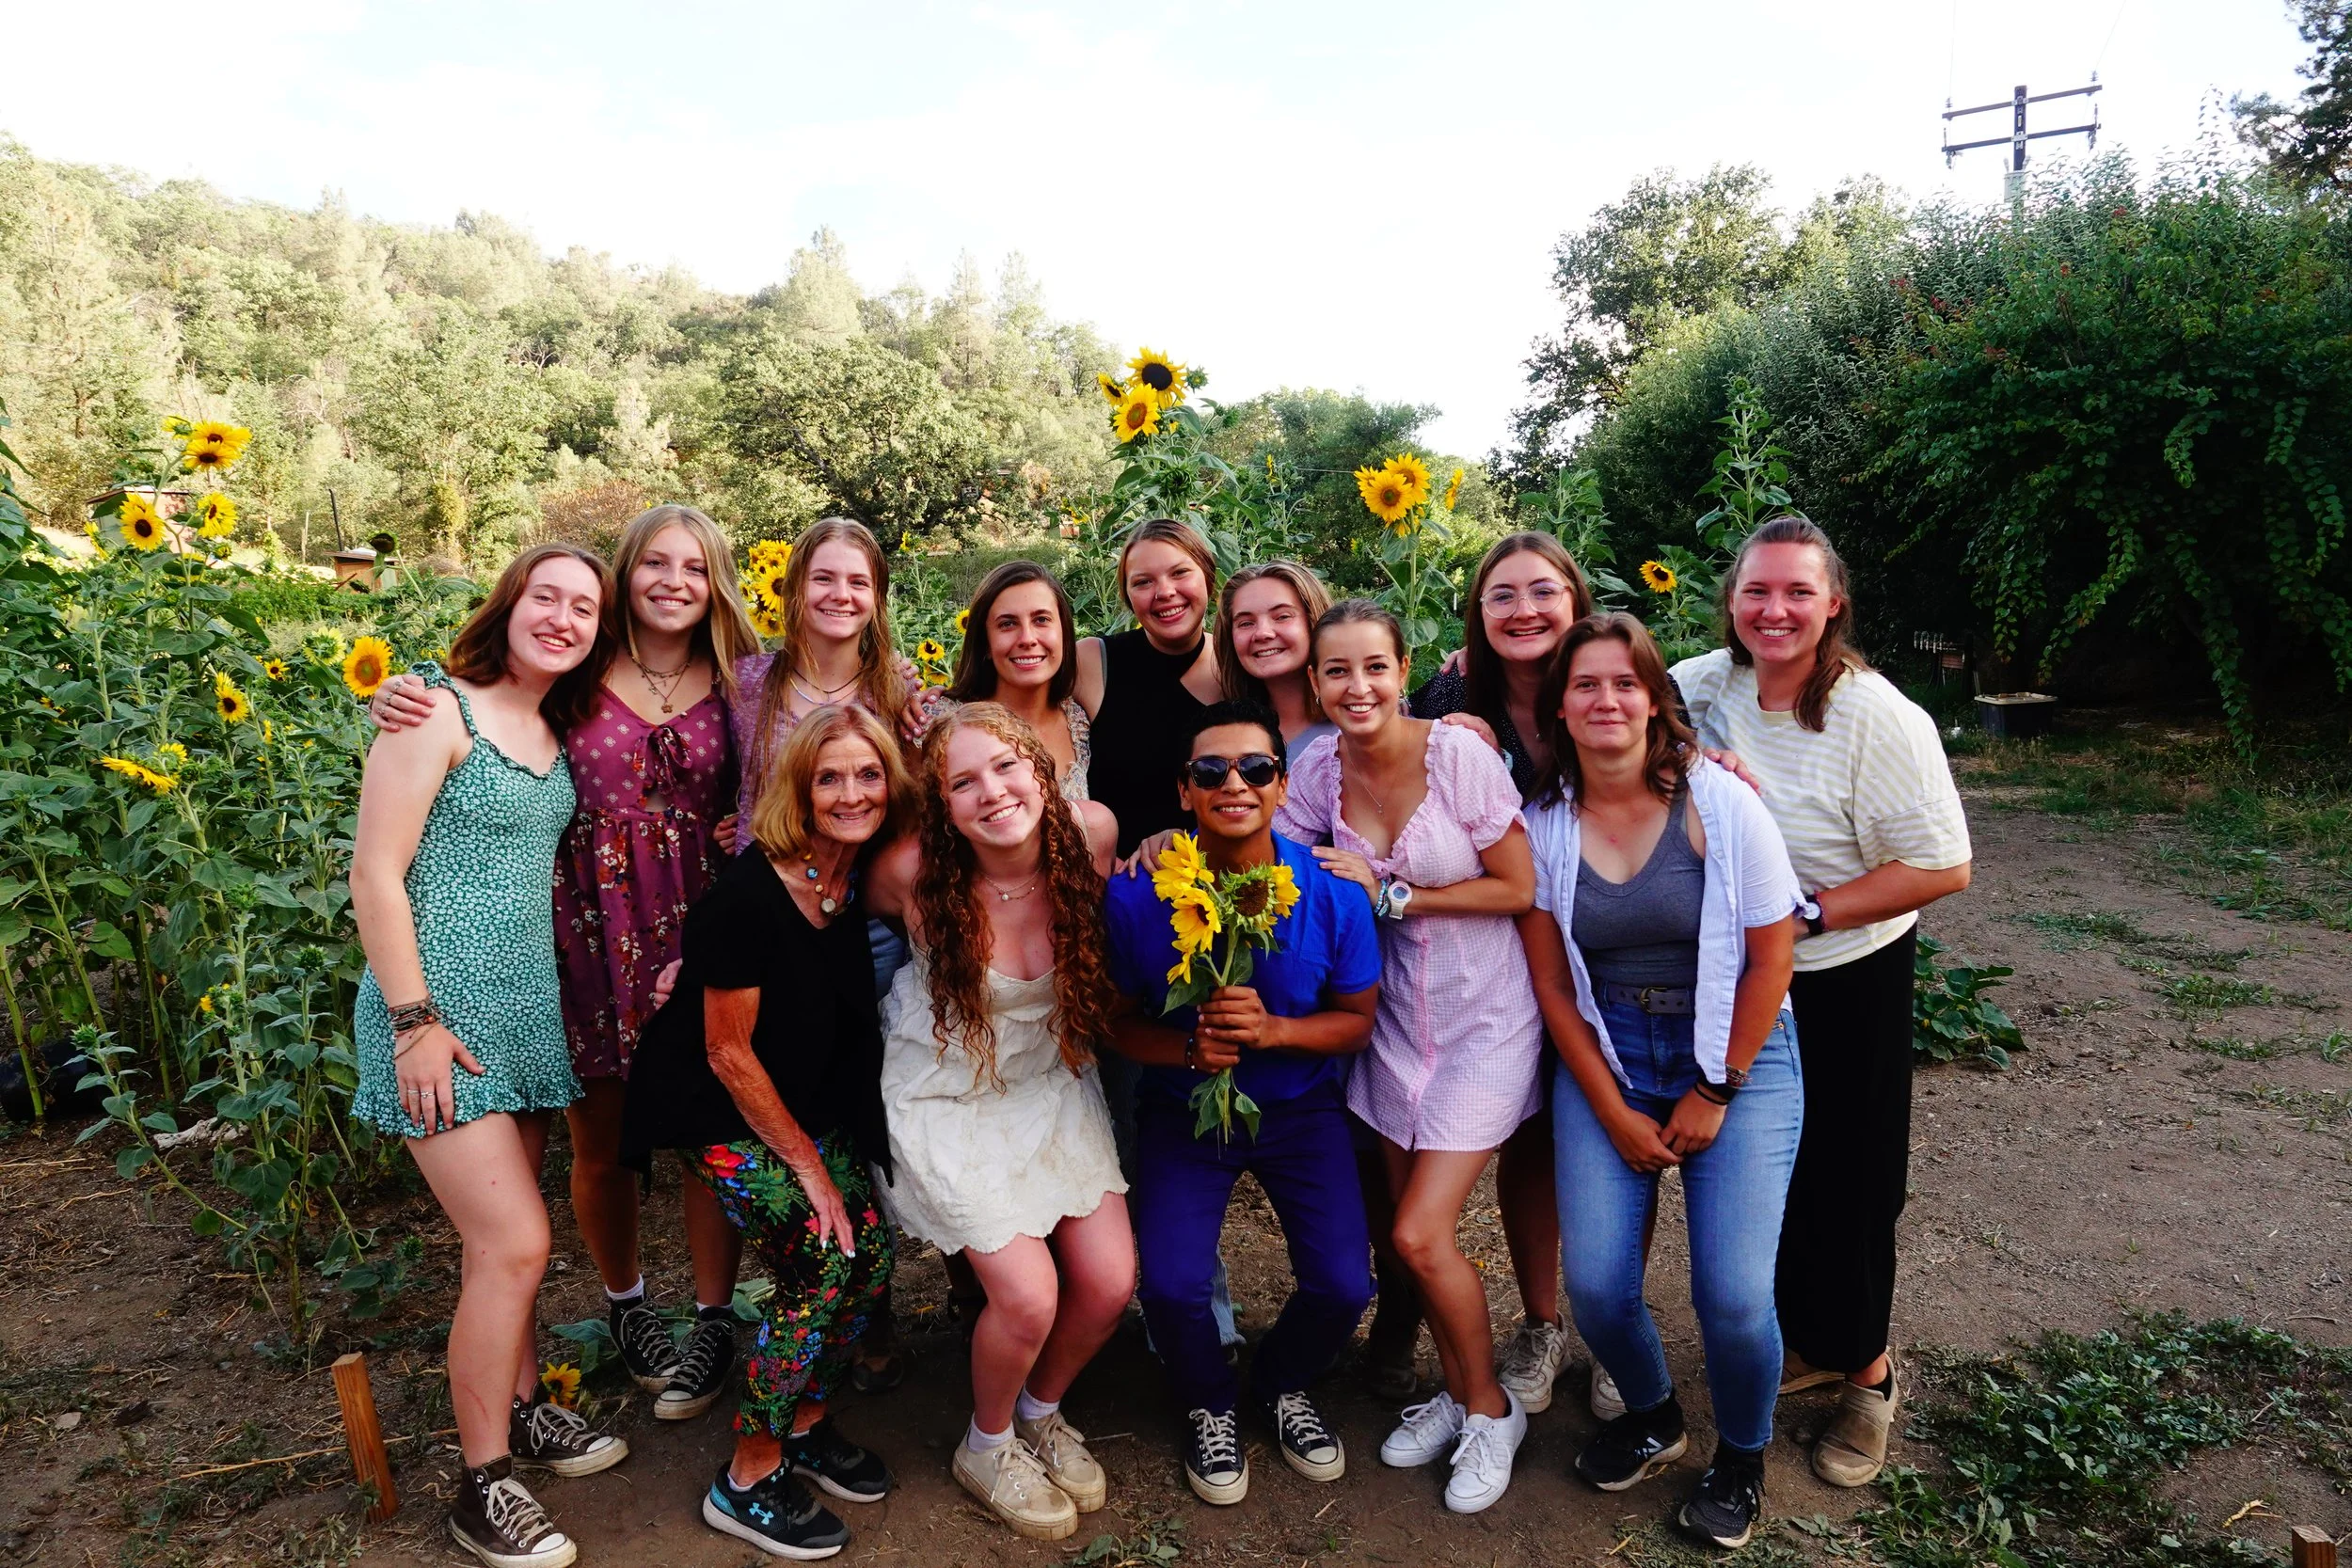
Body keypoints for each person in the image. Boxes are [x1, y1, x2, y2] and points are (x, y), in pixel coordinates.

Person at [369, 506, 759, 1420]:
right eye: (653, 563)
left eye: (694, 567)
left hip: (699, 917)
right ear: (622, 577)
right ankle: (626, 1306)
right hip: (583, 916)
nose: (673, 581)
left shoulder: (743, 679)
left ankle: (711, 1319)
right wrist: (398, 691)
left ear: (716, 583)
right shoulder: (579, 667)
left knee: (709, 1122)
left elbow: (784, 762)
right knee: (603, 1132)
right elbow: (480, 700)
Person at [1672, 515, 1972, 1489]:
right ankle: (1809, 1340)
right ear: (1730, 598)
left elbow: (1942, 863)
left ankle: (1869, 1375)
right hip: (1737, 971)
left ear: (1833, 600)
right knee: (1771, 1169)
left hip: (1843, 967)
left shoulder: (1878, 717)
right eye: (1757, 590)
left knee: (1850, 1177)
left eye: (1797, 591)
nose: (1775, 608)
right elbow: (1600, 694)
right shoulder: (1701, 685)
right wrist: (1461, 691)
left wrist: (1802, 913)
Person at [350, 546, 627, 1568]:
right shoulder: (433, 705)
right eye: (544, 596)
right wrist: (413, 1016)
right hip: (435, 1016)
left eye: (583, 607)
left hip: (521, 1011)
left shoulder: (554, 728)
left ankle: (523, 1409)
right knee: (513, 1238)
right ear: (509, 603)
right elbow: (375, 873)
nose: (560, 615)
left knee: (501, 1245)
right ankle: (484, 1483)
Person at [1518, 612, 1804, 1550]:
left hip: (1738, 1057)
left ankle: (1742, 1455)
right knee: (1596, 1285)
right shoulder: (1543, 823)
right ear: (1559, 706)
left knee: (1729, 1292)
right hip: (1611, 1055)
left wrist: (1714, 1089)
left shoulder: (1718, 803)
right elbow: (1553, 984)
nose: (1605, 700)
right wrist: (1608, 1100)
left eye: (1624, 683)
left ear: (1653, 699)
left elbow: (1771, 957)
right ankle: (1651, 1412)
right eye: (1585, 684)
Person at [622, 705, 913, 1562]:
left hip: (803, 1101)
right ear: (798, 789)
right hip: (715, 1106)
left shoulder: (853, 881)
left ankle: (807, 1420)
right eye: (830, 777)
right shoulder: (751, 897)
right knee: (823, 1258)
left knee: (874, 1258)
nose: (851, 792)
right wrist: (814, 1173)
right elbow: (726, 1053)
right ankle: (747, 1474)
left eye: (868, 775)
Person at [1274, 599, 1544, 1514]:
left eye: (1374, 667)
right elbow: (1272, 851)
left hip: (1482, 1018)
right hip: (1391, 1027)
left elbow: (1517, 884)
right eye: (1337, 671)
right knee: (1415, 1243)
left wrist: (1394, 894)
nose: (1357, 687)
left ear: (1403, 668)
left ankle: (1491, 1408)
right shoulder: (1316, 768)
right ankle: (1457, 1386)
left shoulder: (1457, 755)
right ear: (1314, 682)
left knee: (1418, 1233)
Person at [863, 705, 1134, 1543]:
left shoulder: (1088, 836)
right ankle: (986, 1444)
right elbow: (808, 885)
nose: (992, 792)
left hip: (1047, 1086)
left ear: (1041, 769)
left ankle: (1039, 1410)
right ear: (938, 804)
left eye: (1007, 767)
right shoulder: (909, 870)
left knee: (1109, 1283)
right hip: (944, 1098)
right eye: (962, 782)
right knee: (1027, 1296)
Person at [1104, 700, 1380, 1506]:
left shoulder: (1329, 893)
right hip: (1184, 1113)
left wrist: (1278, 1031)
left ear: (1281, 784)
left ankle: (1282, 1381)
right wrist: (1190, 1048)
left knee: (1341, 1285)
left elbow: (1358, 1021)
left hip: (1300, 1112)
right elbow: (1116, 1022)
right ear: (1183, 791)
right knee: (1173, 1287)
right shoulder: (1137, 896)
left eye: (1255, 768)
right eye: (1210, 770)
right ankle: (1208, 1399)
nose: (1235, 783)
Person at [1407, 531, 1598, 1416]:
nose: (1524, 610)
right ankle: (1543, 1321)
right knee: (1527, 1136)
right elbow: (1399, 772)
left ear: (1575, 599)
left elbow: (1673, 756)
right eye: (1501, 596)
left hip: (1602, 931)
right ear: (1477, 617)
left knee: (1597, 1129)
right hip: (1499, 951)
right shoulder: (1451, 692)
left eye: (1542, 592)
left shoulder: (1610, 673)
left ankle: (1612, 1324)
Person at [1075, 517, 1222, 858]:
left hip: (1219, 884)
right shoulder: (1094, 662)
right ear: (1127, 597)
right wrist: (930, 701)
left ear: (1208, 577)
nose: (1165, 592)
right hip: (1115, 888)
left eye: (1180, 573)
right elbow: (1012, 708)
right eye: (1143, 582)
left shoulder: (1236, 664)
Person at [946, 561, 1092, 798]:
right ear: (985, 643)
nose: (1027, 638)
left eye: (1041, 620)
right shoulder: (939, 722)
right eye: (1007, 624)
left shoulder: (1078, 723)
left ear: (1064, 632)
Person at [1215, 561, 1335, 752]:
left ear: (1314, 621)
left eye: (1282, 617)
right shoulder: (1221, 736)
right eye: (1246, 623)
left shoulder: (1361, 725)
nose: (1263, 633)